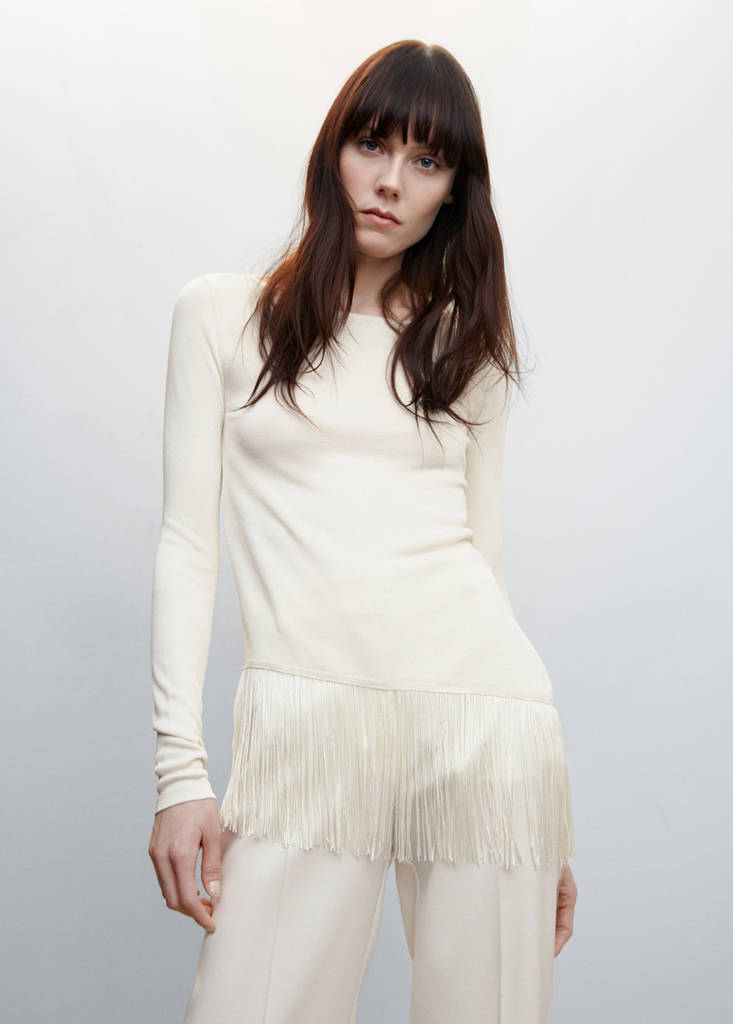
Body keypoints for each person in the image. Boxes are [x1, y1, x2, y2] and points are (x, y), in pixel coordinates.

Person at [147, 39, 578, 1024]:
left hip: (481, 728)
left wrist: (534, 819)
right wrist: (181, 773)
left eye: (427, 161)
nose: (390, 181)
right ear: (330, 150)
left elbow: (481, 555)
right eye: (371, 144)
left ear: (453, 193)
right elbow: (187, 545)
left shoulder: (462, 348)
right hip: (305, 732)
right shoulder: (220, 317)